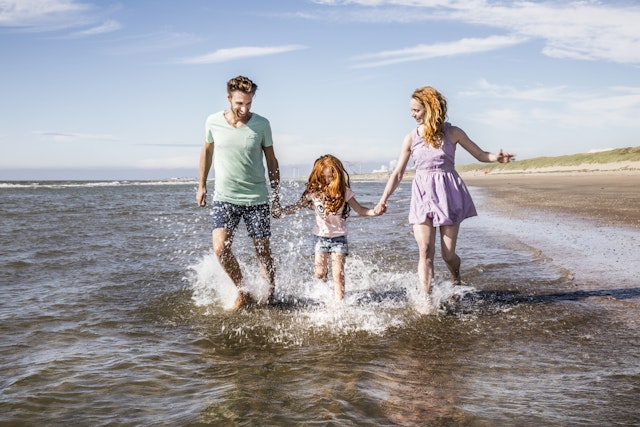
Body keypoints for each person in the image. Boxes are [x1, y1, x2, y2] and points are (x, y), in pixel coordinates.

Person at [374, 86, 515, 304]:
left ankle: (456, 277)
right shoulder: (411, 138)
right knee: (425, 250)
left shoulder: (453, 133)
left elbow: (479, 154)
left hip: (448, 194)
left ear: (430, 109)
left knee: (448, 255)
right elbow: (398, 172)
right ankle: (426, 300)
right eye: (412, 110)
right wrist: (382, 200)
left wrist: (497, 158)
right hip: (422, 194)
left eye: (416, 110)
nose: (412, 115)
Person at [197, 75, 281, 310]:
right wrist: (201, 184)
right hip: (225, 196)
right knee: (220, 248)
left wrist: (275, 197)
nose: (244, 109)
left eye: (249, 103)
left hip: (257, 197)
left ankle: (271, 296)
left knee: (262, 250)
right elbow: (207, 152)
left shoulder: (262, 124)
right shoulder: (213, 121)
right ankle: (243, 291)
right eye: (239, 103)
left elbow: (272, 161)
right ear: (229, 98)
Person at [273, 154, 382, 301]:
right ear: (318, 176)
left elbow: (360, 209)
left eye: (331, 177)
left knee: (338, 274)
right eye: (324, 177)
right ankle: (322, 296)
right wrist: (282, 211)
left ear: (337, 176)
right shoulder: (313, 192)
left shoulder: (344, 192)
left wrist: (374, 212)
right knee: (319, 272)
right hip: (320, 238)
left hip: (339, 237)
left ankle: (339, 304)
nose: (327, 181)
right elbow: (296, 207)